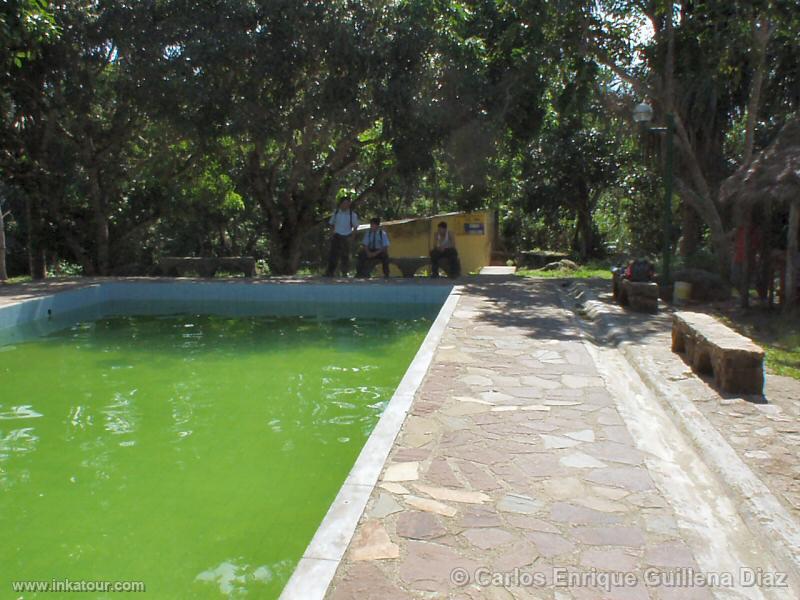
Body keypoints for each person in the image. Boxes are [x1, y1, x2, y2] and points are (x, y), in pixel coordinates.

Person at [325, 194, 359, 277]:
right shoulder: (336, 213)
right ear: (341, 204)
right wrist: (331, 234)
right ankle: (330, 272)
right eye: (344, 203)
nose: (346, 205)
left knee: (345, 255)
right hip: (337, 235)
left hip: (347, 236)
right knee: (333, 255)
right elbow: (331, 224)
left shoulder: (353, 215)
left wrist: (352, 237)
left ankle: (345, 272)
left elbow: (355, 227)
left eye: (347, 203)